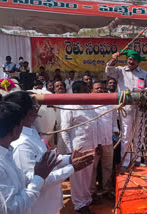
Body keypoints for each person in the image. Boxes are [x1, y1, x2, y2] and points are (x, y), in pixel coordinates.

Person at [4, 91, 94, 214]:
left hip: (48, 204)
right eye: (35, 106)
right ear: (29, 113)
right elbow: (35, 179)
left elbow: (44, 162)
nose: (38, 109)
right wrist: (71, 168)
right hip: (38, 208)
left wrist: (69, 159)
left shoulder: (31, 131)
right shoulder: (22, 145)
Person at [0, 101, 58, 214]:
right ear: (16, 130)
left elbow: (22, 180)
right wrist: (39, 177)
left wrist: (38, 174)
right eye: (22, 126)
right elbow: (12, 208)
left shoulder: (7, 152)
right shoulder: (17, 149)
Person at [105, 49, 147, 171]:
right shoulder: (120, 70)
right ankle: (125, 161)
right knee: (126, 135)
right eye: (130, 59)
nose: (131, 61)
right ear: (127, 60)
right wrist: (113, 59)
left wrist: (144, 91)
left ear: (138, 62)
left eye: (134, 60)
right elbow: (108, 71)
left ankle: (136, 160)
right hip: (126, 107)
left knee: (139, 134)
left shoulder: (144, 73)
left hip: (140, 106)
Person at [60, 81, 98, 213]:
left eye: (87, 89)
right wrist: (70, 152)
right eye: (84, 89)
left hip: (91, 146)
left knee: (88, 175)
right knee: (78, 176)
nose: (87, 92)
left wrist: (96, 144)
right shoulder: (69, 107)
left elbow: (94, 127)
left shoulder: (90, 106)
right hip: (77, 148)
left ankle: (86, 199)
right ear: (76, 92)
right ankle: (79, 204)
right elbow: (64, 131)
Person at [90, 81, 119, 199]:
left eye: (101, 88)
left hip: (108, 141)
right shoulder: (89, 105)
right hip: (94, 143)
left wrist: (115, 130)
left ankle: (106, 189)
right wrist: (96, 143)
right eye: (97, 88)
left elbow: (113, 121)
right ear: (91, 91)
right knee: (93, 168)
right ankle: (92, 191)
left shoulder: (110, 104)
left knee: (107, 166)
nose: (99, 90)